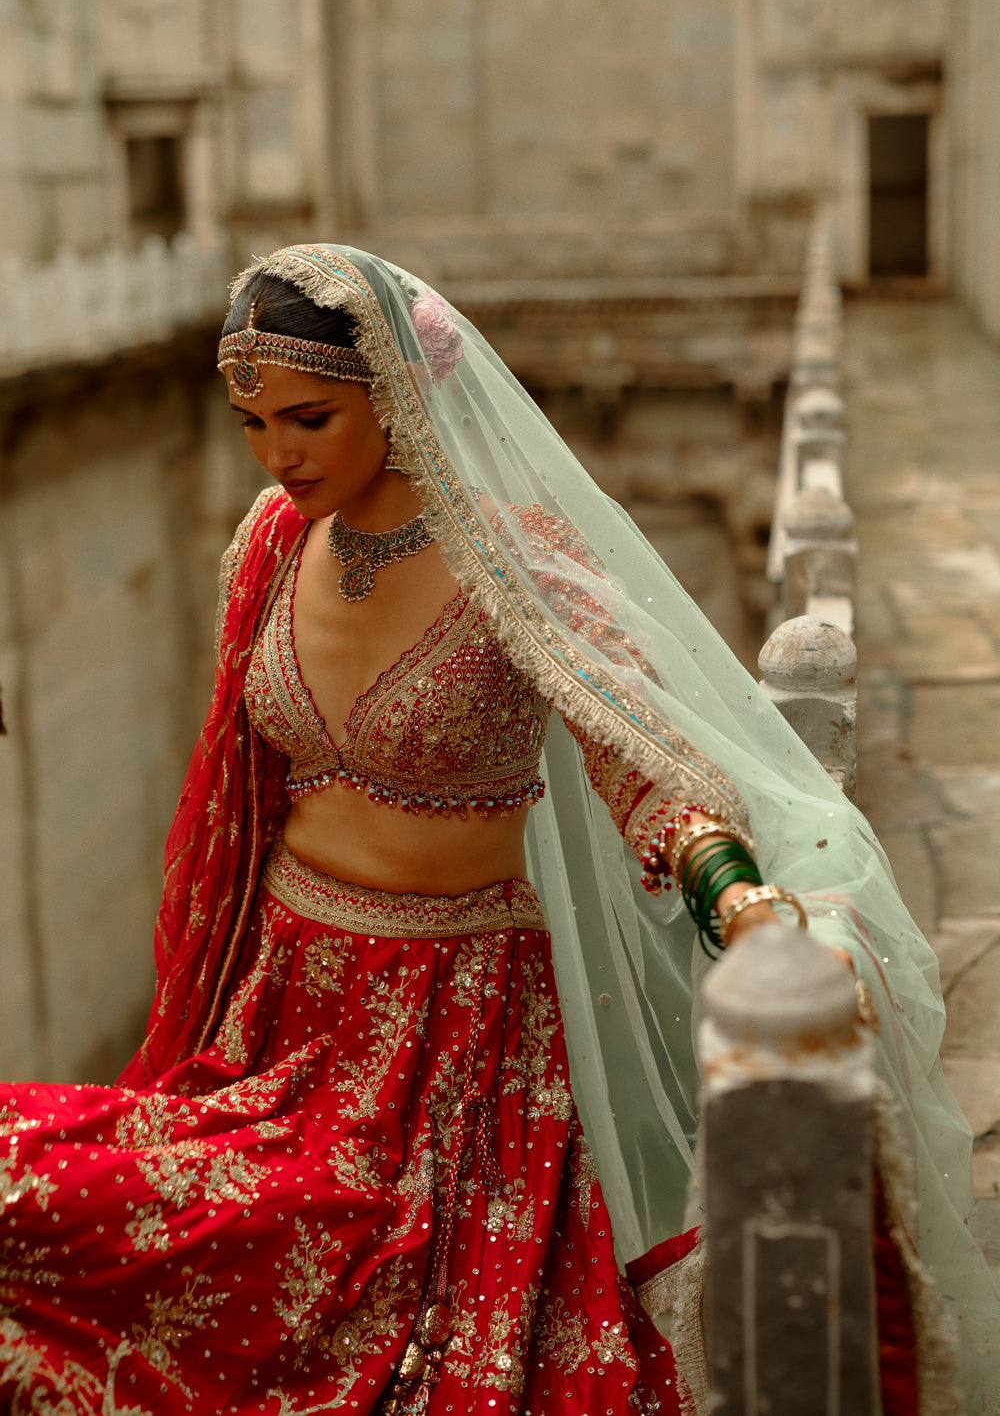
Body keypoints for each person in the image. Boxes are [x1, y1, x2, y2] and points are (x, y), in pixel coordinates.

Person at [0, 244, 997, 1414]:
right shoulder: (269, 547)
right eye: (252, 425)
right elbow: (236, 795)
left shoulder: (512, 562)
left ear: (392, 387)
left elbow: (643, 759)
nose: (280, 455)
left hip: (453, 1043)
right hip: (276, 1015)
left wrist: (732, 889)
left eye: (310, 419)